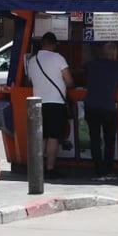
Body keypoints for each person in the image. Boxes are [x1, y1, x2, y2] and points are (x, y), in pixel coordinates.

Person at [27, 32, 73, 180]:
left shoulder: (32, 61)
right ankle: (50, 168)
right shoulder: (58, 58)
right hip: (56, 103)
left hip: (37, 104)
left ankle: (37, 168)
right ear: (54, 44)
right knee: (53, 137)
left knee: (42, 137)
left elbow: (30, 80)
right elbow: (69, 81)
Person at [83, 42, 118, 180]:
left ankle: (98, 171)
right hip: (108, 107)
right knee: (109, 140)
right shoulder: (117, 66)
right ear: (113, 52)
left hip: (91, 106)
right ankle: (108, 170)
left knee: (95, 139)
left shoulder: (92, 65)